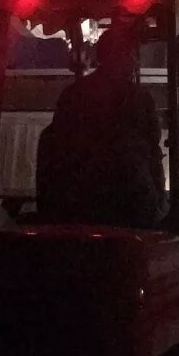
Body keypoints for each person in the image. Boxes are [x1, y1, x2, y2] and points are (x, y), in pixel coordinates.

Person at [36, 22, 167, 226]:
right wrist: (160, 203)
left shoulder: (73, 95)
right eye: (132, 55)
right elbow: (152, 151)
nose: (135, 62)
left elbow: (54, 149)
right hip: (130, 207)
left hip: (74, 206)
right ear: (122, 57)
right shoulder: (139, 99)